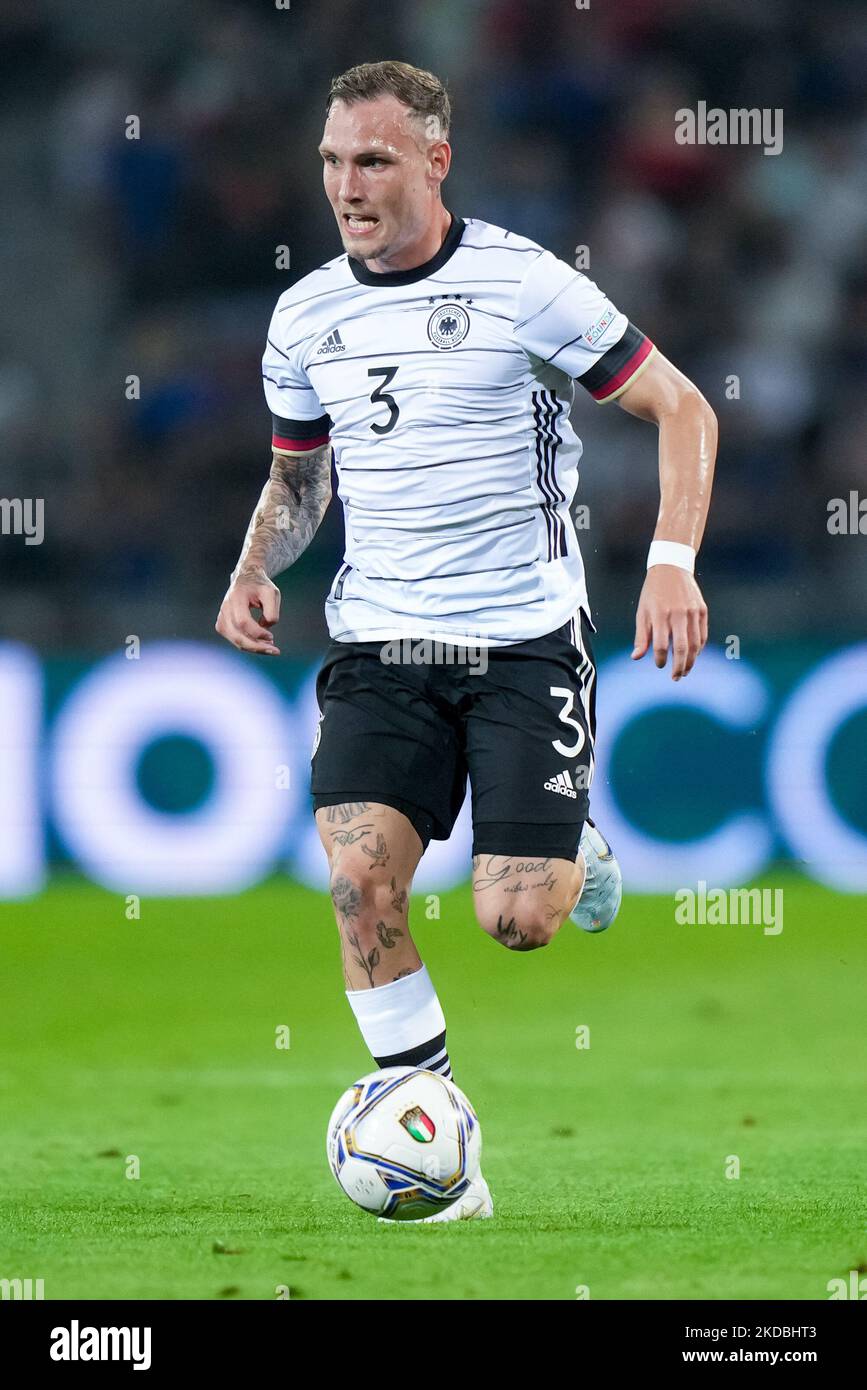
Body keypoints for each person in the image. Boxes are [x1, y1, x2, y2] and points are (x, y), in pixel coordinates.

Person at [216, 60, 717, 1222]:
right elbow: (300, 479)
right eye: (336, 162)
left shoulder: (523, 284)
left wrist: (672, 563)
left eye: (375, 160)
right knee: (358, 885)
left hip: (521, 641)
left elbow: (683, 407)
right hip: (382, 642)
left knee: (517, 919)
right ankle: (439, 1150)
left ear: (434, 163)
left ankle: (568, 846)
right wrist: (254, 566)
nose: (349, 185)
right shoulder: (304, 316)